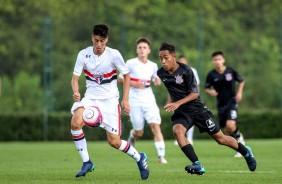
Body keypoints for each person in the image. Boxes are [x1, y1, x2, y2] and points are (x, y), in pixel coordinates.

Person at [157, 42, 256, 175]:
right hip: (182, 112)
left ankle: (245, 152)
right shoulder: (160, 73)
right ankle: (197, 164)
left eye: (166, 57)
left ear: (174, 56)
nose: (163, 61)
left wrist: (177, 103)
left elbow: (195, 94)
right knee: (178, 131)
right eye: (160, 58)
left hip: (198, 110)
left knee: (221, 139)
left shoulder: (186, 70)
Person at [70, 24, 149, 180]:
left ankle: (139, 157)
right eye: (96, 40)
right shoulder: (83, 54)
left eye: (102, 41)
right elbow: (75, 78)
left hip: (110, 101)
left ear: (107, 39)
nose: (99, 45)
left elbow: (126, 76)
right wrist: (76, 92)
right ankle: (87, 162)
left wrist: (125, 99)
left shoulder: (114, 55)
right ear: (92, 37)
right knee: (75, 123)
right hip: (90, 98)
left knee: (114, 142)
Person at [118, 37, 167, 164]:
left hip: (148, 97)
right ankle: (133, 135)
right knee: (139, 132)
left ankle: (161, 157)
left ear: (149, 50)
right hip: (134, 99)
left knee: (155, 126)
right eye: (140, 47)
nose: (142, 50)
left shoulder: (153, 65)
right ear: (136, 50)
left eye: (144, 47)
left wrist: (157, 81)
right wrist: (133, 83)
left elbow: (157, 80)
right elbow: (120, 79)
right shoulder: (130, 63)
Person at [205, 51, 246, 158]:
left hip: (232, 102)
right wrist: (211, 91)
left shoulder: (230, 71)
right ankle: (238, 139)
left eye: (219, 59)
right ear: (213, 62)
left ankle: (241, 145)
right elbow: (206, 88)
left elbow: (241, 81)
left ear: (223, 60)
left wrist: (239, 93)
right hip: (221, 104)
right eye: (215, 60)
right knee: (226, 130)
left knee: (230, 125)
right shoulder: (211, 74)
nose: (217, 61)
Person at [168, 55, 200, 145]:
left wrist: (196, 96)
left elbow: (197, 85)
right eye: (180, 61)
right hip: (177, 99)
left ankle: (189, 138)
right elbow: (171, 88)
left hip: (189, 98)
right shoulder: (173, 71)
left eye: (183, 61)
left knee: (191, 117)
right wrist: (170, 100)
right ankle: (180, 137)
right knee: (178, 118)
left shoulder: (192, 70)